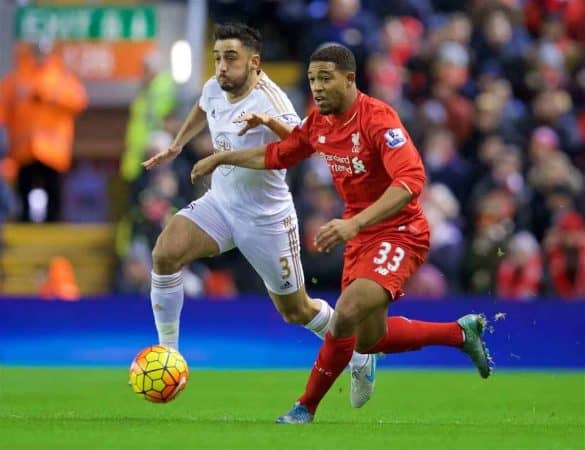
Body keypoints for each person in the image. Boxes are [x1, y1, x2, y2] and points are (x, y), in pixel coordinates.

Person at [191, 44, 494, 424]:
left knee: (345, 313)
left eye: (325, 78)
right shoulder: (320, 121)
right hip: (362, 235)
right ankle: (460, 334)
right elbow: (280, 154)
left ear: (350, 79)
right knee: (370, 340)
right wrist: (224, 157)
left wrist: (354, 223)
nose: (316, 88)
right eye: (311, 80)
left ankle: (305, 407)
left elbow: (411, 182)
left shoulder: (378, 119)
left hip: (400, 231)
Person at [142, 24, 376, 408]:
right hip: (221, 204)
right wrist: (177, 145)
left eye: (230, 58)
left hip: (266, 218)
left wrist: (264, 126)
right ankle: (170, 357)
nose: (221, 67)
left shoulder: (273, 100)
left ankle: (359, 352)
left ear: (254, 62)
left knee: (296, 310)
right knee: (165, 252)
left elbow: (304, 145)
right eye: (217, 57)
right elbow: (203, 107)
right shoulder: (213, 87)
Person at [0, 39, 87, 222]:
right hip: (23, 149)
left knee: (53, 189)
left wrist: (47, 96)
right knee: (24, 187)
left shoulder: (62, 78)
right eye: (36, 52)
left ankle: (53, 221)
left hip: (52, 151)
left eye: (43, 52)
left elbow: (79, 101)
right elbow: (3, 107)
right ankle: (24, 221)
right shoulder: (16, 78)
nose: (40, 57)